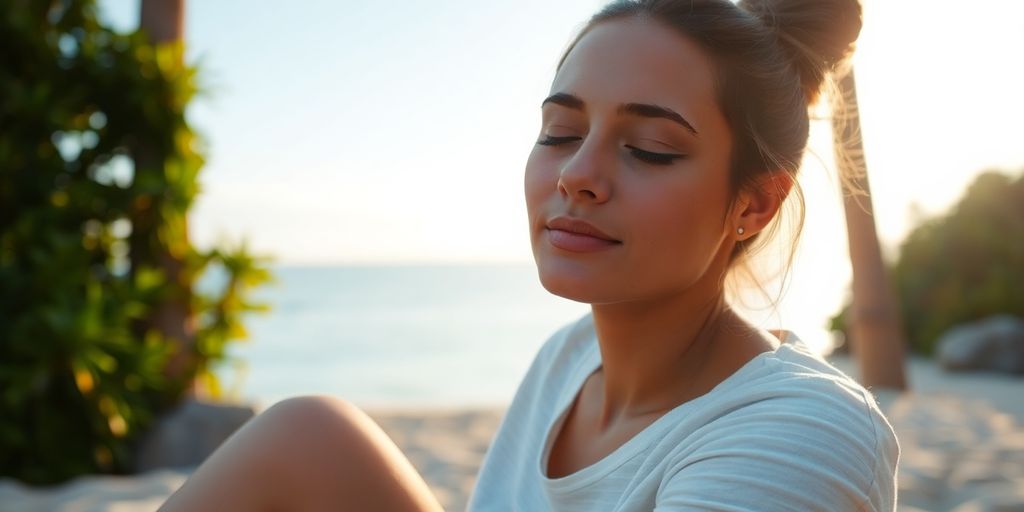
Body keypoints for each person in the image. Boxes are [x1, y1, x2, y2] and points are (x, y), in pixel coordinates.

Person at [160, 0, 900, 510]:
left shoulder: (805, 431)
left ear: (755, 203)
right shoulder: (567, 362)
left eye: (649, 148)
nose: (578, 173)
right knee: (308, 434)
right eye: (559, 132)